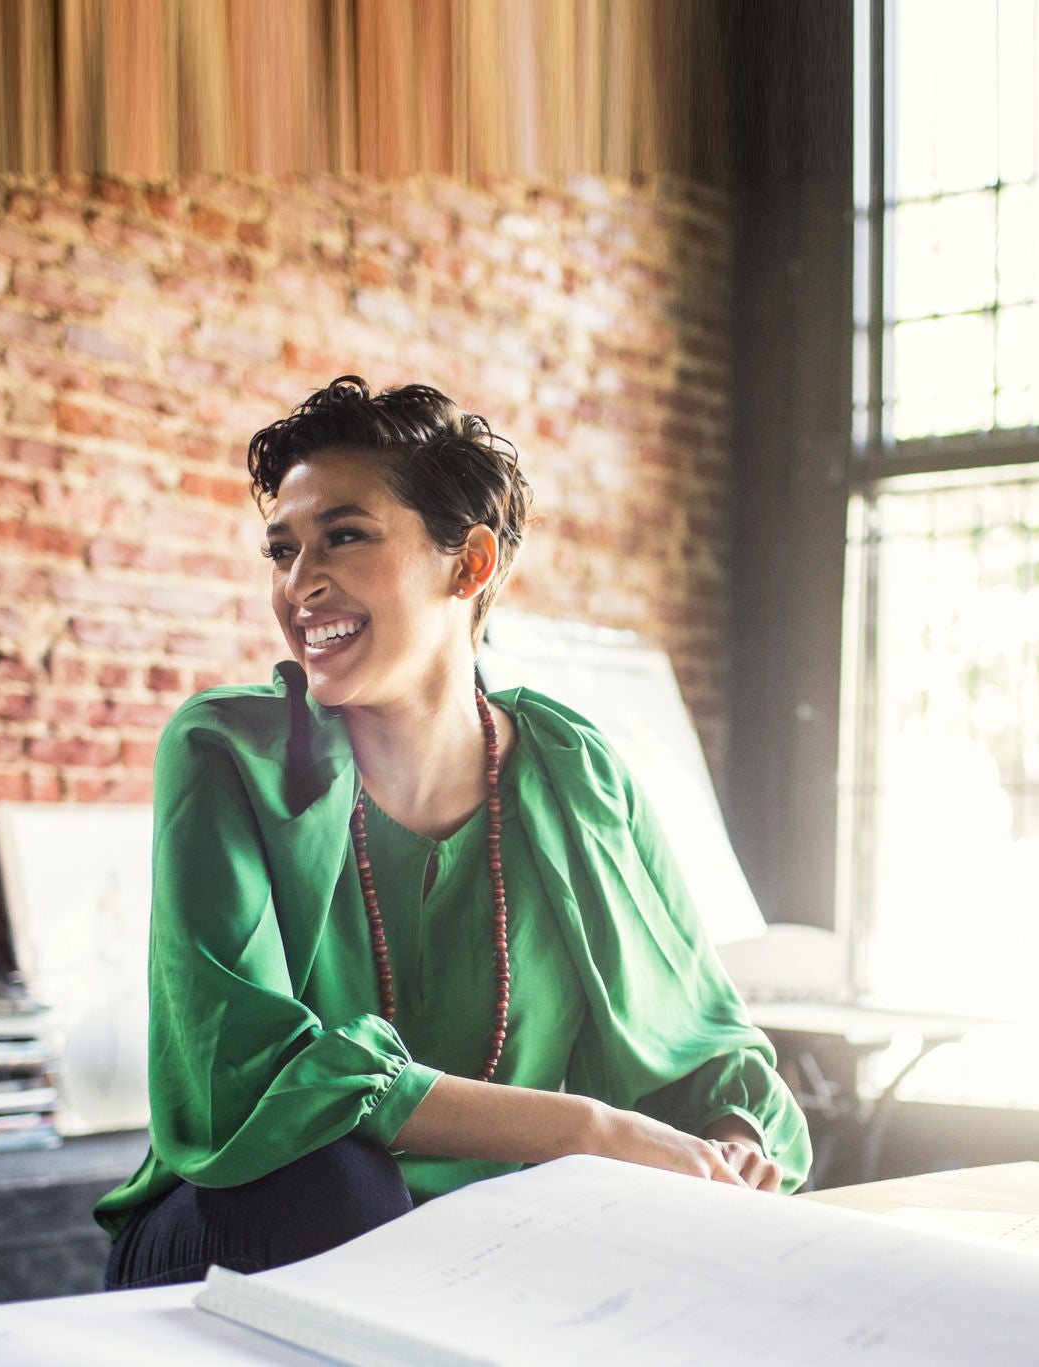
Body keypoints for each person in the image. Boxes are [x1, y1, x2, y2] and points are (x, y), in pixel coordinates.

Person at [96, 376, 810, 1289]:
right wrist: (584, 1128)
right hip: (241, 1225)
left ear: (469, 565)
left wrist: (730, 1145)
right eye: (283, 549)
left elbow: (705, 1047)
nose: (298, 584)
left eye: (343, 537)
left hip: (484, 1249)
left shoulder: (575, 774)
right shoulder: (225, 752)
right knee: (336, 1174)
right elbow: (249, 1073)